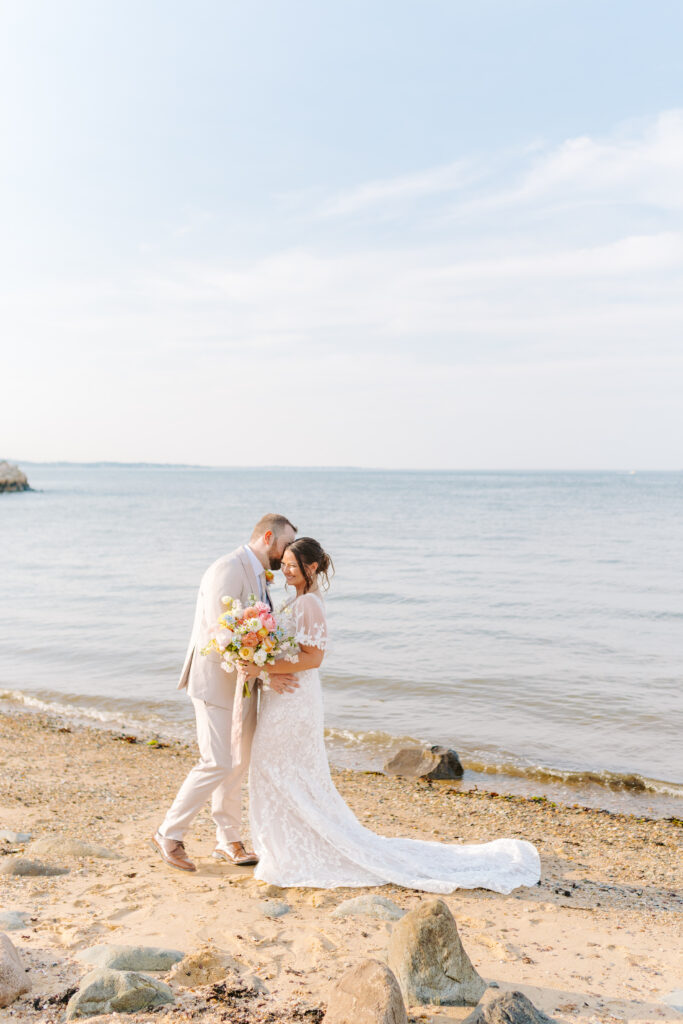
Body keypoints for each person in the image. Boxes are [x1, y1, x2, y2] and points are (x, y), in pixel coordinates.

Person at [243, 537, 541, 893]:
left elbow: (314, 658)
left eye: (292, 565)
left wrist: (265, 668)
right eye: (285, 564)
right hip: (287, 695)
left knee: (278, 766)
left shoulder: (309, 604)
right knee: (280, 768)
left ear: (311, 567)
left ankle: (293, 848)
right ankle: (285, 843)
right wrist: (263, 661)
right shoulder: (298, 600)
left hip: (294, 699)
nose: (286, 570)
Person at [151, 513, 298, 871]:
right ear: (268, 537)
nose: (288, 552)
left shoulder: (261, 576)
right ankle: (168, 833)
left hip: (244, 684)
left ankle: (228, 841)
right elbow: (222, 635)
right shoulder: (227, 568)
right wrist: (266, 673)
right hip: (216, 681)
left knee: (237, 764)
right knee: (216, 761)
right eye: (286, 543)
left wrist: (264, 671)